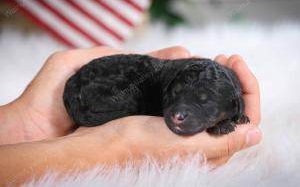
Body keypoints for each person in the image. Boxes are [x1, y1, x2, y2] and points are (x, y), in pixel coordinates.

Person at [0, 46, 261, 186]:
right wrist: (113, 147)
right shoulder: (170, 82)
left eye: (203, 105)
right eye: (176, 95)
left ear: (234, 106)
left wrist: (25, 121)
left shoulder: (230, 99)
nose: (179, 113)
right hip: (93, 90)